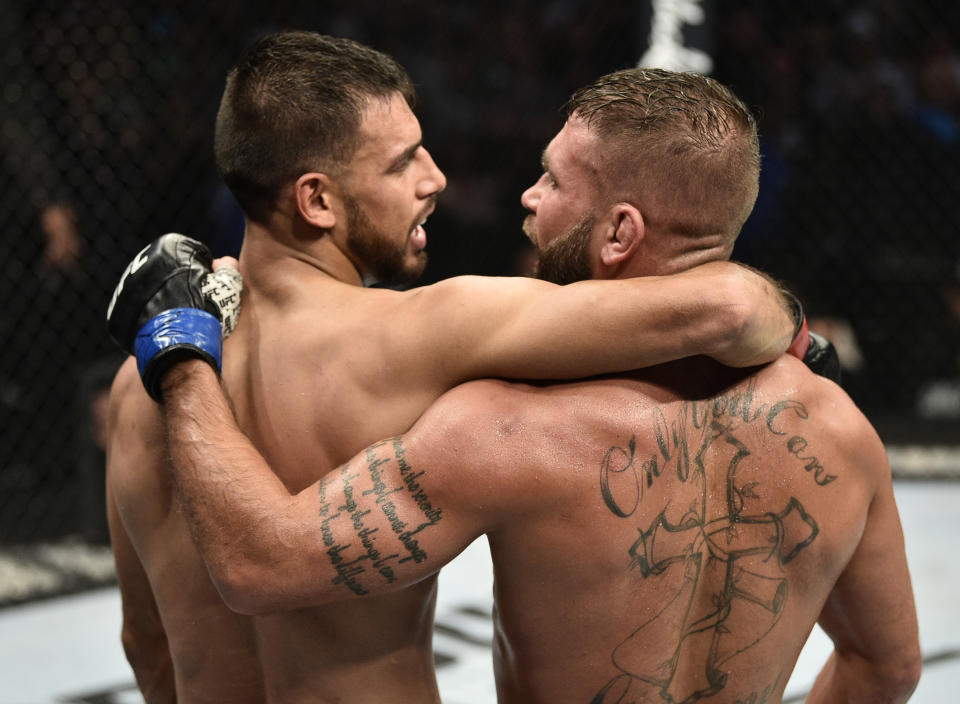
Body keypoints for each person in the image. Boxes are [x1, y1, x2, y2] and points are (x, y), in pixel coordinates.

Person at [144, 68, 920, 702]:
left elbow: (258, 564)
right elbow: (887, 670)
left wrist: (178, 348)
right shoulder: (841, 432)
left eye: (551, 180)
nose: (528, 197)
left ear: (619, 232)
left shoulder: (507, 427)